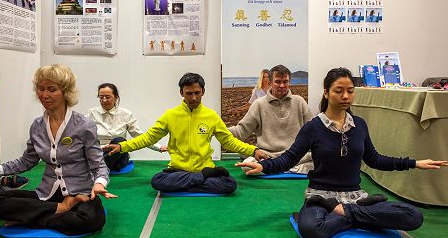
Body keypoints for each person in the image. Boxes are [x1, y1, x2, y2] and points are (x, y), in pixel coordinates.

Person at [236, 67, 447, 238]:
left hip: (356, 198)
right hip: (320, 198)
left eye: (350, 91)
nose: (346, 96)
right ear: (326, 93)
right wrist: (264, 167)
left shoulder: (360, 125)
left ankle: (346, 214)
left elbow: (374, 160)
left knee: (413, 216)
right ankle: (356, 216)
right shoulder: (313, 127)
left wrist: (415, 162)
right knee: (312, 230)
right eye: (339, 91)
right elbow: (290, 158)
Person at [0, 64, 115, 236]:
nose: (44, 95)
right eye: (41, 89)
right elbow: (26, 161)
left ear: (65, 92)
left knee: (92, 220)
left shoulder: (84, 125)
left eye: (52, 89)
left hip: (79, 195)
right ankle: (62, 209)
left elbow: (99, 165)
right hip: (47, 195)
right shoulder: (37, 126)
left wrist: (99, 184)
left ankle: (34, 217)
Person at [104, 73, 267, 194]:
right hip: (178, 170)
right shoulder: (170, 115)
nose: (194, 97)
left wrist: (253, 150)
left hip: (203, 168)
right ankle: (201, 179)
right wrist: (122, 146)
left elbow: (230, 142)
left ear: (203, 91)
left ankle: (192, 181)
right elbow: (148, 138)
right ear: (181, 93)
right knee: (157, 181)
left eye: (197, 92)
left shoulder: (211, 116)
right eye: (189, 93)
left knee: (230, 184)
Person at [229, 65, 313, 174]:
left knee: (320, 161)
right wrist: (219, 129)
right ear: (270, 83)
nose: (282, 85)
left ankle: (276, 168)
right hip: (267, 156)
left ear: (289, 82)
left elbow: (312, 130)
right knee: (247, 166)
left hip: (296, 156)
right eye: (278, 82)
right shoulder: (259, 104)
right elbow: (242, 131)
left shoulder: (299, 101)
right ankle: (286, 169)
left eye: (285, 82)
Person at [86, 83, 167, 172]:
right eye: (101, 97)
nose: (104, 100)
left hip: (119, 156)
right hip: (98, 153)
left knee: (120, 140)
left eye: (108, 97)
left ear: (116, 97)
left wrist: (159, 147)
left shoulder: (126, 114)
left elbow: (139, 136)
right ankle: (101, 166)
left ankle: (98, 167)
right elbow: (81, 134)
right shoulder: (91, 113)